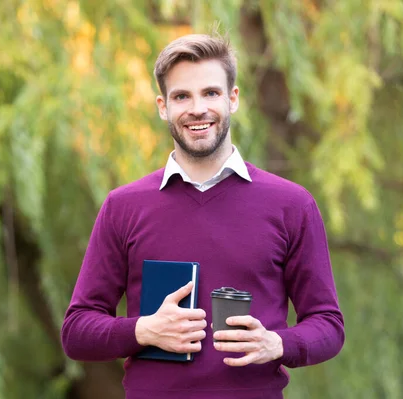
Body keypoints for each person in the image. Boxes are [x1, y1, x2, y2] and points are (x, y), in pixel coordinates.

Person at [61, 33, 344, 399]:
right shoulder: (123, 207)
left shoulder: (292, 205)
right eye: (182, 96)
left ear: (233, 98)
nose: (198, 108)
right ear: (163, 106)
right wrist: (143, 331)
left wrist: (278, 343)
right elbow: (77, 331)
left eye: (210, 93)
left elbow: (328, 325)